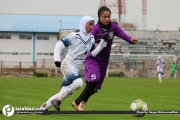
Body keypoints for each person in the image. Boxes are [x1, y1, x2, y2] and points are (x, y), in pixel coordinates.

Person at [71, 6, 138, 111]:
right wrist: (94, 45)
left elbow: (123, 35)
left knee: (96, 87)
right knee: (94, 79)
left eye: (108, 17)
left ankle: (76, 101)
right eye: (104, 17)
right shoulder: (95, 29)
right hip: (92, 59)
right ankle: (82, 103)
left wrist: (131, 40)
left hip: (104, 61)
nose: (107, 19)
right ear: (99, 17)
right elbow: (88, 41)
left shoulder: (114, 27)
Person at [39, 16, 108, 111]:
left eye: (93, 24)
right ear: (84, 24)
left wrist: (102, 44)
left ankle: (42, 108)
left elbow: (93, 53)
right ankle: (57, 101)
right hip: (67, 64)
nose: (92, 26)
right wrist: (57, 59)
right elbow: (59, 44)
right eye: (90, 24)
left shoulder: (91, 38)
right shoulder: (76, 35)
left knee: (63, 92)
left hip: (75, 68)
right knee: (78, 83)